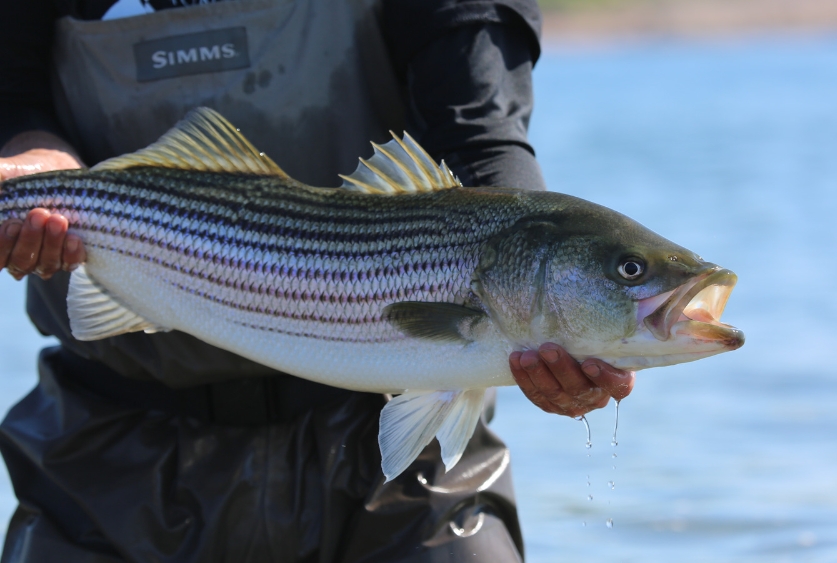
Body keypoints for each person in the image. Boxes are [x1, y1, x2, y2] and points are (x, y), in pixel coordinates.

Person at [0, 0, 635, 560]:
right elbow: (13, 89)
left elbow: (478, 126)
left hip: (390, 462)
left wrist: (530, 282)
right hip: (109, 452)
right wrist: (28, 156)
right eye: (630, 272)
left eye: (631, 272)